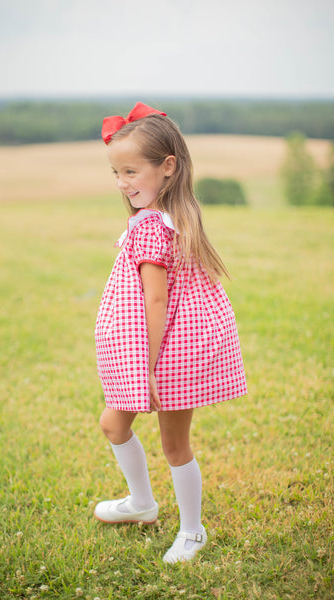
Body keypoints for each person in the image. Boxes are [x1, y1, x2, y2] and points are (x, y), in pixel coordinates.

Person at [94, 102, 247, 564]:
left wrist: (149, 367)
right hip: (156, 349)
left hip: (166, 353)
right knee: (113, 423)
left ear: (167, 168)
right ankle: (142, 503)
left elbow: (156, 302)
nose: (122, 182)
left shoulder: (154, 229)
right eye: (116, 172)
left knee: (174, 445)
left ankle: (193, 531)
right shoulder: (156, 218)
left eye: (131, 171)